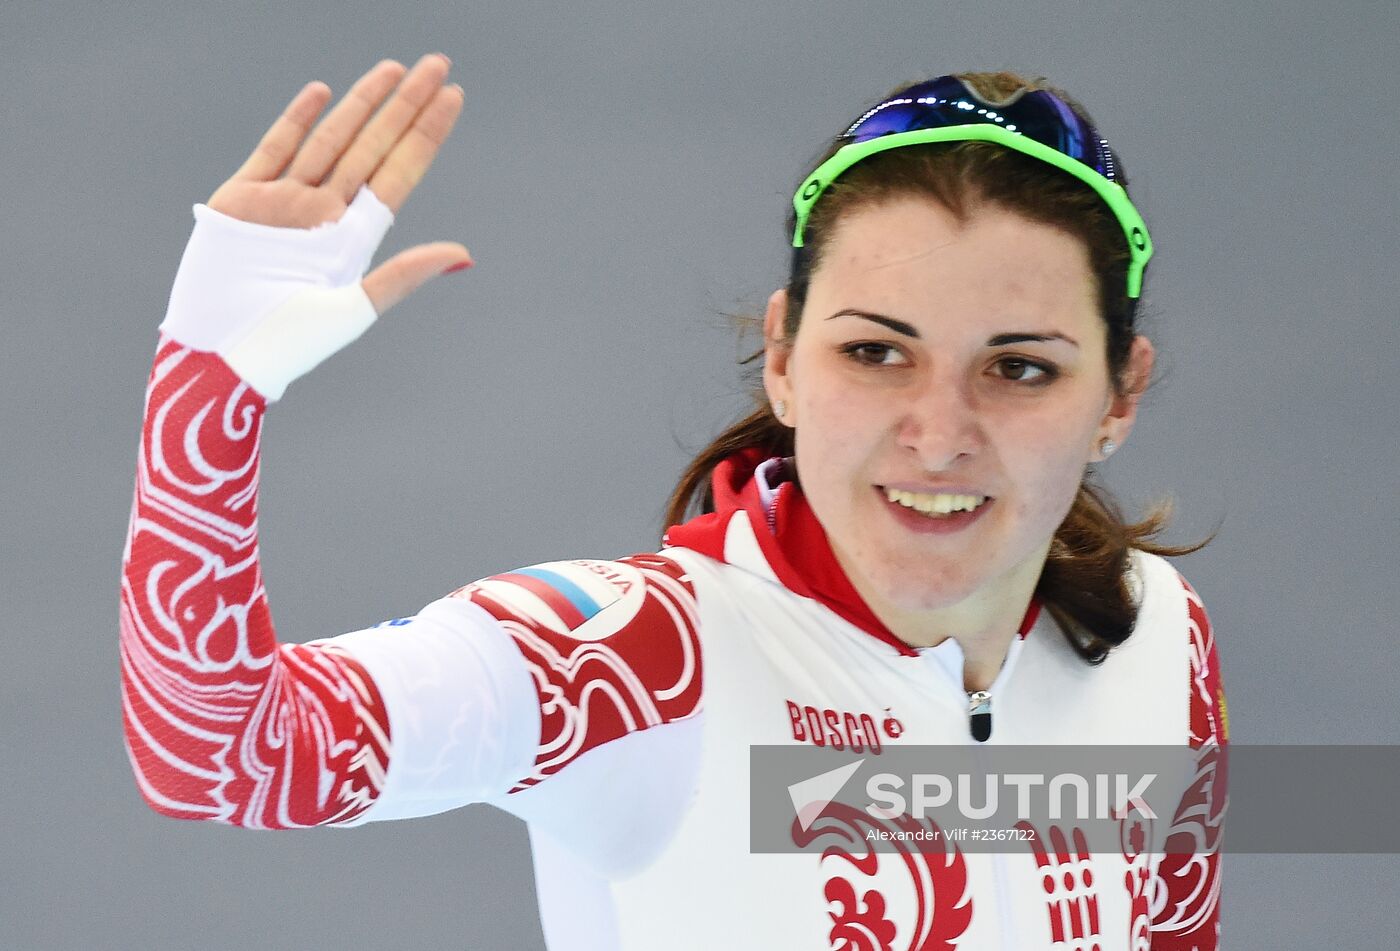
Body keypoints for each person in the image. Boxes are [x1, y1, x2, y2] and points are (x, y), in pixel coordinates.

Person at [119, 52, 1228, 950]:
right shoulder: (637, 661)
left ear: (1115, 397)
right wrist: (206, 393)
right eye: (875, 353)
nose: (937, 435)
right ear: (784, 360)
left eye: (1018, 368)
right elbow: (220, 754)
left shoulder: (1153, 632)